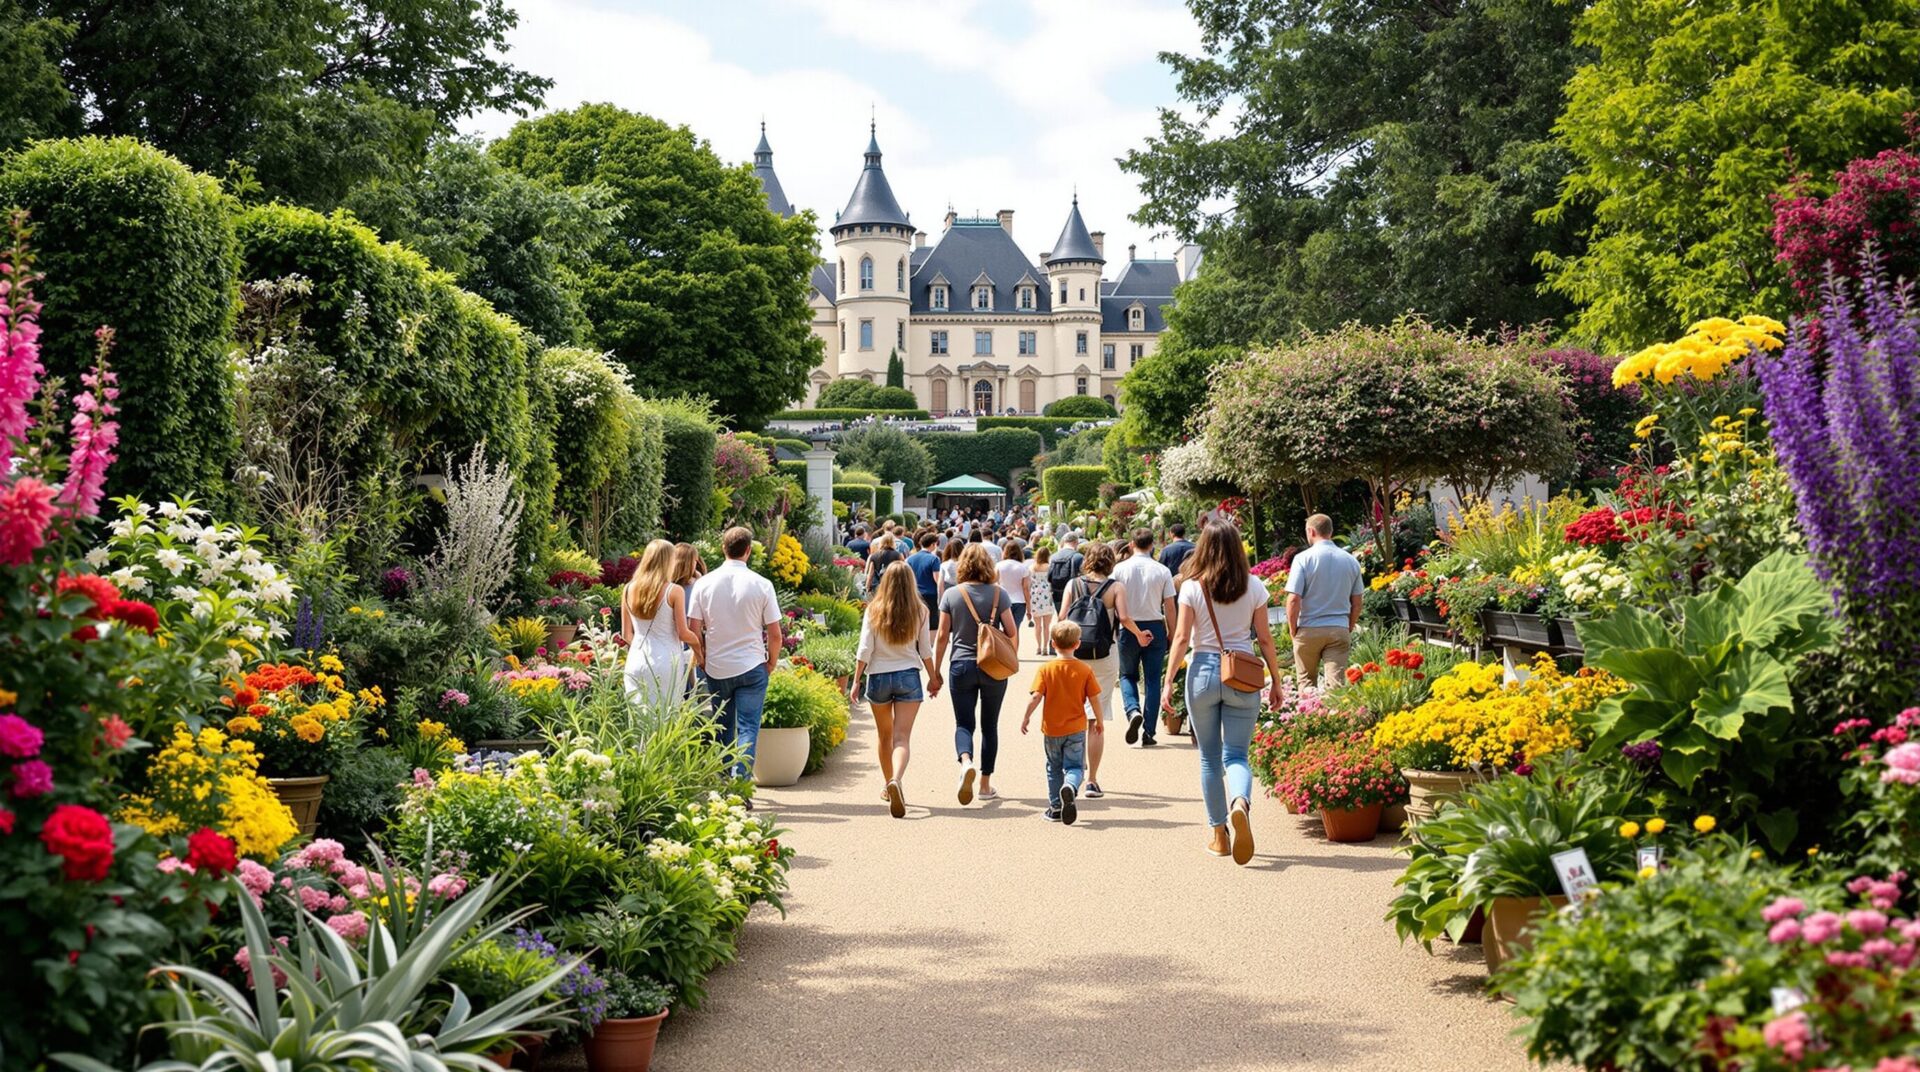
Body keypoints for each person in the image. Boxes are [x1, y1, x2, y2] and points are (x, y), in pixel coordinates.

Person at [1160, 519, 1285, 864]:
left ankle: (1219, 835)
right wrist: (1275, 680)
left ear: (1203, 547)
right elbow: (1264, 638)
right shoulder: (1255, 585)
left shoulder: (1191, 587)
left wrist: (1168, 680)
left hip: (1202, 671)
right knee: (1237, 757)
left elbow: (1182, 638)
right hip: (1242, 673)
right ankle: (1240, 804)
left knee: (1209, 758)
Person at [688, 527, 784, 788]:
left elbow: (694, 629)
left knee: (722, 726)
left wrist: (702, 658)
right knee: (748, 727)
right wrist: (771, 662)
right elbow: (775, 634)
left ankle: (721, 782)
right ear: (749, 550)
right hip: (752, 665)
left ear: (723, 548)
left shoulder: (703, 584)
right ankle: (739, 785)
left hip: (717, 666)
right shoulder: (762, 584)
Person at [932, 544, 1018, 805]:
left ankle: (966, 761)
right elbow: (1012, 632)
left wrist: (935, 672)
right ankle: (984, 784)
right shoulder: (999, 595)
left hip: (961, 664)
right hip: (992, 666)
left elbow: (942, 636)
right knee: (989, 726)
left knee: (963, 724)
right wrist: (1009, 661)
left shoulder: (952, 595)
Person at [854, 561, 938, 818]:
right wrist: (933, 678)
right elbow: (925, 649)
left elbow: (865, 648)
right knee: (902, 738)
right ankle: (897, 780)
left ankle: (887, 782)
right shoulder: (921, 611)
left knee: (884, 736)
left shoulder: (874, 610)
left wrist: (856, 680)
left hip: (878, 675)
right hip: (908, 675)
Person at [1062, 542, 1141, 798]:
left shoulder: (1073, 585)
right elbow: (1125, 618)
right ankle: (1092, 781)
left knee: (1073, 712)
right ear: (1110, 561)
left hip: (1074, 654)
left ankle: (1074, 770)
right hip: (1105, 655)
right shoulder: (1116, 587)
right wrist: (1140, 636)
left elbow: (1062, 618)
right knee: (1095, 719)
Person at [1020, 620, 1102, 825]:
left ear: (1053, 643)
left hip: (1052, 728)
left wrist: (1026, 716)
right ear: (1077, 644)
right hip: (1076, 728)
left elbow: (1036, 696)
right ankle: (1071, 787)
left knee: (1053, 767)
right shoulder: (1084, 670)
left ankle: (1055, 807)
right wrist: (1099, 721)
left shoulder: (1046, 669)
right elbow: (1094, 699)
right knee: (1075, 767)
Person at [1113, 527, 1176, 748]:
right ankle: (1149, 731)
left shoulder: (1119, 570)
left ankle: (1132, 711)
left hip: (1128, 625)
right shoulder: (1162, 570)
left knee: (1127, 675)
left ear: (1131, 544)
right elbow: (1169, 605)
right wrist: (1173, 632)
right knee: (1152, 679)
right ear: (1152, 545)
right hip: (1155, 625)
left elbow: (1111, 601)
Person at [1286, 513, 1366, 686]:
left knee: (1306, 682)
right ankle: (1335, 713)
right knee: (1336, 684)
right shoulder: (1351, 561)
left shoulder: (1303, 559)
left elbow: (1293, 600)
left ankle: (1310, 712)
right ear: (1331, 531)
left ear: (1311, 531)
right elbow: (1358, 602)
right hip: (1338, 628)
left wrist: (1293, 630)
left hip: (1309, 628)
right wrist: (1349, 625)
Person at [621, 540, 702, 706]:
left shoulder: (628, 588)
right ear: (668, 561)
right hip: (666, 662)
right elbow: (683, 633)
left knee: (637, 720)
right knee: (666, 720)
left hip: (636, 659)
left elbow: (626, 634)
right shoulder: (674, 591)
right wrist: (698, 647)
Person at [995, 540, 1033, 634]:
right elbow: (1025, 589)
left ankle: (1005, 648)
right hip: (1019, 602)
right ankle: (1014, 648)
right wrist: (1029, 609)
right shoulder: (1023, 568)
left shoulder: (998, 566)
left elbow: (995, 585)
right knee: (1015, 631)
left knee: (1004, 630)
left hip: (1002, 601)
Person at [906, 531, 943, 621]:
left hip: (915, 593)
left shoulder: (909, 559)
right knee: (931, 623)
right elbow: (937, 579)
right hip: (930, 595)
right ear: (933, 544)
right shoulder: (934, 559)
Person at [1028, 546, 1058, 656]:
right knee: (1046, 625)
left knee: (1037, 626)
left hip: (1035, 594)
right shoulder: (1050, 567)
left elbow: (1029, 583)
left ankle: (1038, 647)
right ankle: (1046, 647)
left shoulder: (1032, 567)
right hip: (1047, 594)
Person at [1047, 532, 1085, 611]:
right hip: (1074, 595)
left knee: (1062, 620)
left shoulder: (1053, 557)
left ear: (1064, 541)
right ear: (1076, 542)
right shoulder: (1079, 557)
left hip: (1057, 594)